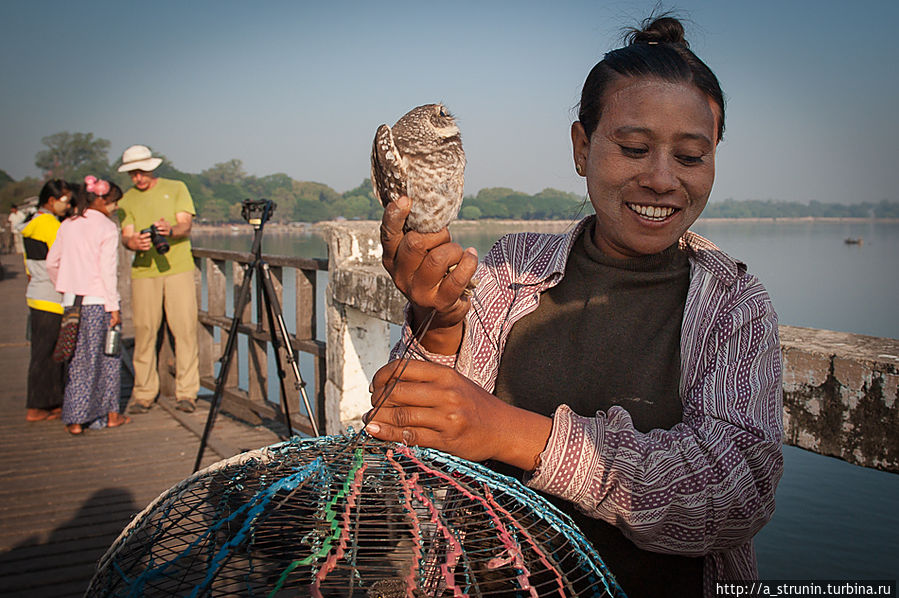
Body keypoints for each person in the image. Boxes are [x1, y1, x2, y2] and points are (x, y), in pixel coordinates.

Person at [366, 16, 783, 598]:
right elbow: (424, 445)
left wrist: (513, 433)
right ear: (581, 149)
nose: (662, 179)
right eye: (634, 148)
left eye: (691, 157)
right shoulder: (514, 269)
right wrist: (437, 326)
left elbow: (736, 492)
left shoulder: (734, 304)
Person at [117, 144, 200, 414]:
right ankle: (143, 393)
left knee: (185, 330)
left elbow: (185, 225)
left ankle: (187, 392)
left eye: (141, 172)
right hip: (144, 271)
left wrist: (170, 230)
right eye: (132, 173)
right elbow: (126, 235)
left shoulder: (176, 188)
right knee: (144, 332)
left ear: (151, 168)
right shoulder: (127, 200)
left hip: (177, 267)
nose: (137, 178)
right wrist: (135, 243)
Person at [47, 177, 130, 435]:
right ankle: (111, 414)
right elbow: (107, 272)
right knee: (108, 357)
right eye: (114, 202)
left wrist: (65, 285)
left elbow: (52, 262)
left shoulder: (68, 224)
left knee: (77, 360)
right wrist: (114, 307)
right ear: (103, 200)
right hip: (98, 302)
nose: (115, 208)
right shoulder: (106, 227)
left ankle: (75, 418)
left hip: (72, 302)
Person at [20, 180, 73, 422]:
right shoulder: (51, 226)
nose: (68, 204)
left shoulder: (31, 225)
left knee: (42, 352)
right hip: (52, 296)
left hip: (36, 292)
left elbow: (29, 267)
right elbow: (60, 261)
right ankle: (39, 405)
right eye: (65, 200)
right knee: (50, 354)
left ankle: (48, 402)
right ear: (52, 201)